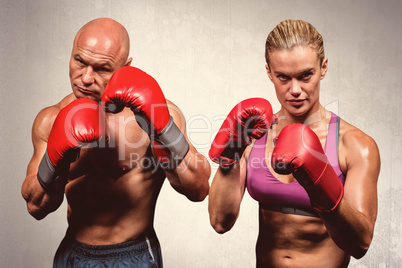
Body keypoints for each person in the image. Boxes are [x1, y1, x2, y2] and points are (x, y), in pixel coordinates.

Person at [21, 18, 210, 268]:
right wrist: (55, 161)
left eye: (102, 68)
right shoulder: (51, 119)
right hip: (74, 254)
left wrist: (164, 130)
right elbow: (36, 207)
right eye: (79, 61)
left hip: (134, 256)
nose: (85, 78)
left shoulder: (156, 113)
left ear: (125, 67)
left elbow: (198, 189)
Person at [208, 19, 380, 267]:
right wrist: (233, 148)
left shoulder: (354, 145)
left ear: (323, 68)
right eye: (283, 77)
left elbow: (360, 244)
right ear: (269, 72)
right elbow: (219, 221)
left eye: (305, 76)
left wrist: (320, 182)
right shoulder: (254, 133)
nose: (295, 89)